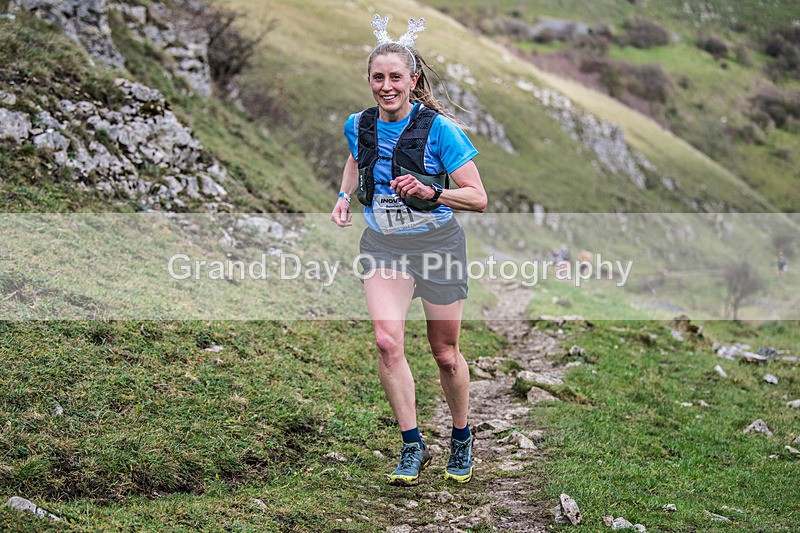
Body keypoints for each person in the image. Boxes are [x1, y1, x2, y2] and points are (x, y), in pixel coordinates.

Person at [330, 14, 487, 486]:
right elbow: (356, 159)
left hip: (437, 245)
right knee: (386, 341)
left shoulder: (440, 130)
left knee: (444, 352)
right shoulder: (358, 124)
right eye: (378, 77)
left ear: (413, 79)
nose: (386, 85)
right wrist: (342, 197)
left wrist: (430, 191)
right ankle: (412, 444)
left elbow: (478, 198)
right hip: (383, 246)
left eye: (396, 77)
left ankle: (461, 436)